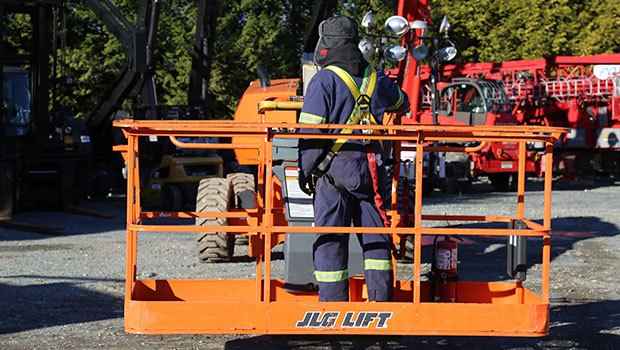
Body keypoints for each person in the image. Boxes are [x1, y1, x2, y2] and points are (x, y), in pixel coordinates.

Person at [297, 15, 410, 302]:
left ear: (327, 45)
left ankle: (333, 307)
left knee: (331, 240)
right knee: (375, 237)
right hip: (371, 170)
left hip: (333, 171)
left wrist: (305, 170)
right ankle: (381, 302)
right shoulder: (375, 77)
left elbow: (310, 132)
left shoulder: (324, 79)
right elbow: (402, 101)